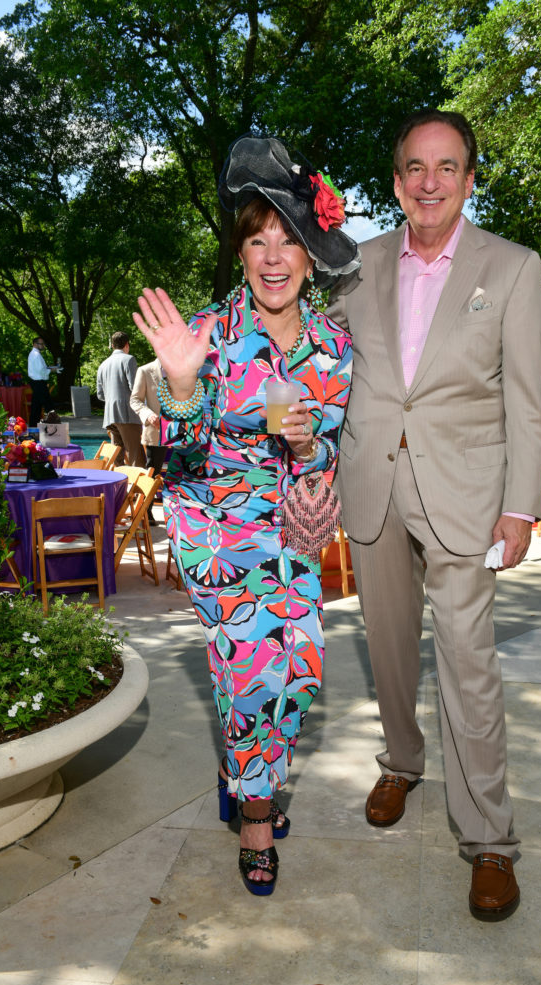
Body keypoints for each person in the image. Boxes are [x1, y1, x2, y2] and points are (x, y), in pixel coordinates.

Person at [327, 108, 541, 920]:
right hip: (373, 486)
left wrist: (520, 506)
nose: (428, 182)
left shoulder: (513, 268)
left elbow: (527, 401)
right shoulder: (354, 265)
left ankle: (489, 838)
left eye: (445, 167)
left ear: (467, 178)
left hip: (465, 495)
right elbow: (321, 365)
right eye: (414, 168)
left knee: (468, 664)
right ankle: (402, 760)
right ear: (395, 182)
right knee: (385, 648)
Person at [132, 134, 356, 896]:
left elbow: (326, 455)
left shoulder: (333, 348)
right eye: (256, 239)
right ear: (241, 251)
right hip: (217, 530)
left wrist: (312, 458)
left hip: (290, 534)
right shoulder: (205, 333)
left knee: (301, 671)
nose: (270, 256)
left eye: (286, 239)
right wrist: (183, 386)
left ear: (309, 253)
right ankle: (257, 817)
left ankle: (241, 771)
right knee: (257, 667)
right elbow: (179, 440)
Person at [96, 331, 144, 467]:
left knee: (117, 455)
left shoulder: (103, 365)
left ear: (112, 345)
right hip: (127, 413)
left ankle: (118, 484)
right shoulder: (129, 360)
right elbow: (135, 387)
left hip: (110, 415)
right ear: (127, 344)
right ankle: (140, 486)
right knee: (135, 452)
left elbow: (100, 395)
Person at [130, 356, 167, 522]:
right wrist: (148, 414)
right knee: (152, 472)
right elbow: (135, 399)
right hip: (156, 431)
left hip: (182, 432)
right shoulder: (145, 370)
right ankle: (146, 511)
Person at [27, 337, 55, 425]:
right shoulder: (36, 355)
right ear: (35, 344)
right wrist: (51, 370)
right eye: (41, 344)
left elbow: (40, 369)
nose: (43, 346)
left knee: (36, 406)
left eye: (43, 344)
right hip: (39, 382)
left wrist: (48, 368)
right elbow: (41, 370)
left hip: (36, 382)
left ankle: (33, 425)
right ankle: (55, 424)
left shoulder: (34, 354)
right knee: (48, 405)